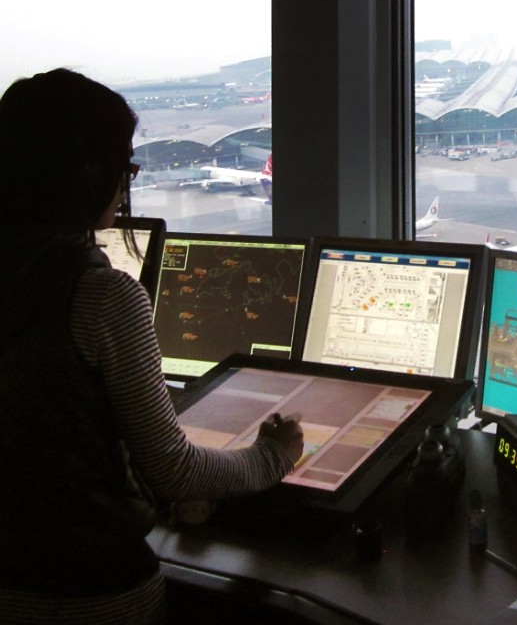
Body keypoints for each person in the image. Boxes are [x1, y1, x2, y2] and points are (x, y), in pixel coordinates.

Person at [0, 68, 303, 623]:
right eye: (125, 169)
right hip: (90, 596)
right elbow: (175, 472)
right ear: (88, 180)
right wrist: (272, 458)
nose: (125, 187)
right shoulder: (100, 296)